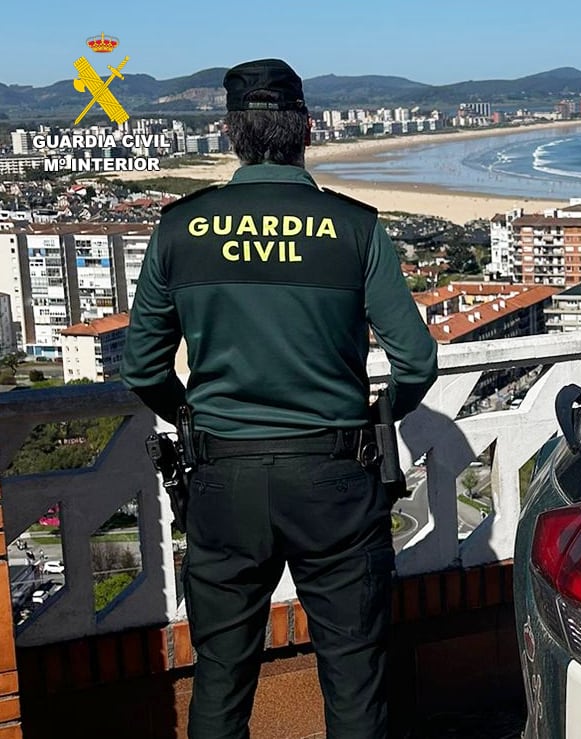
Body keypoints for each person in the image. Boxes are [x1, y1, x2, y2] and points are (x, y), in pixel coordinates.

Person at [121, 58, 438, 739]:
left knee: (220, 679)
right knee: (355, 681)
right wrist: (376, 418)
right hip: (335, 479)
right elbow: (416, 358)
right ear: (308, 129)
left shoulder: (182, 228)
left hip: (222, 477)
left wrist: (192, 416)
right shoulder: (353, 227)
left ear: (232, 131)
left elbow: (143, 365)